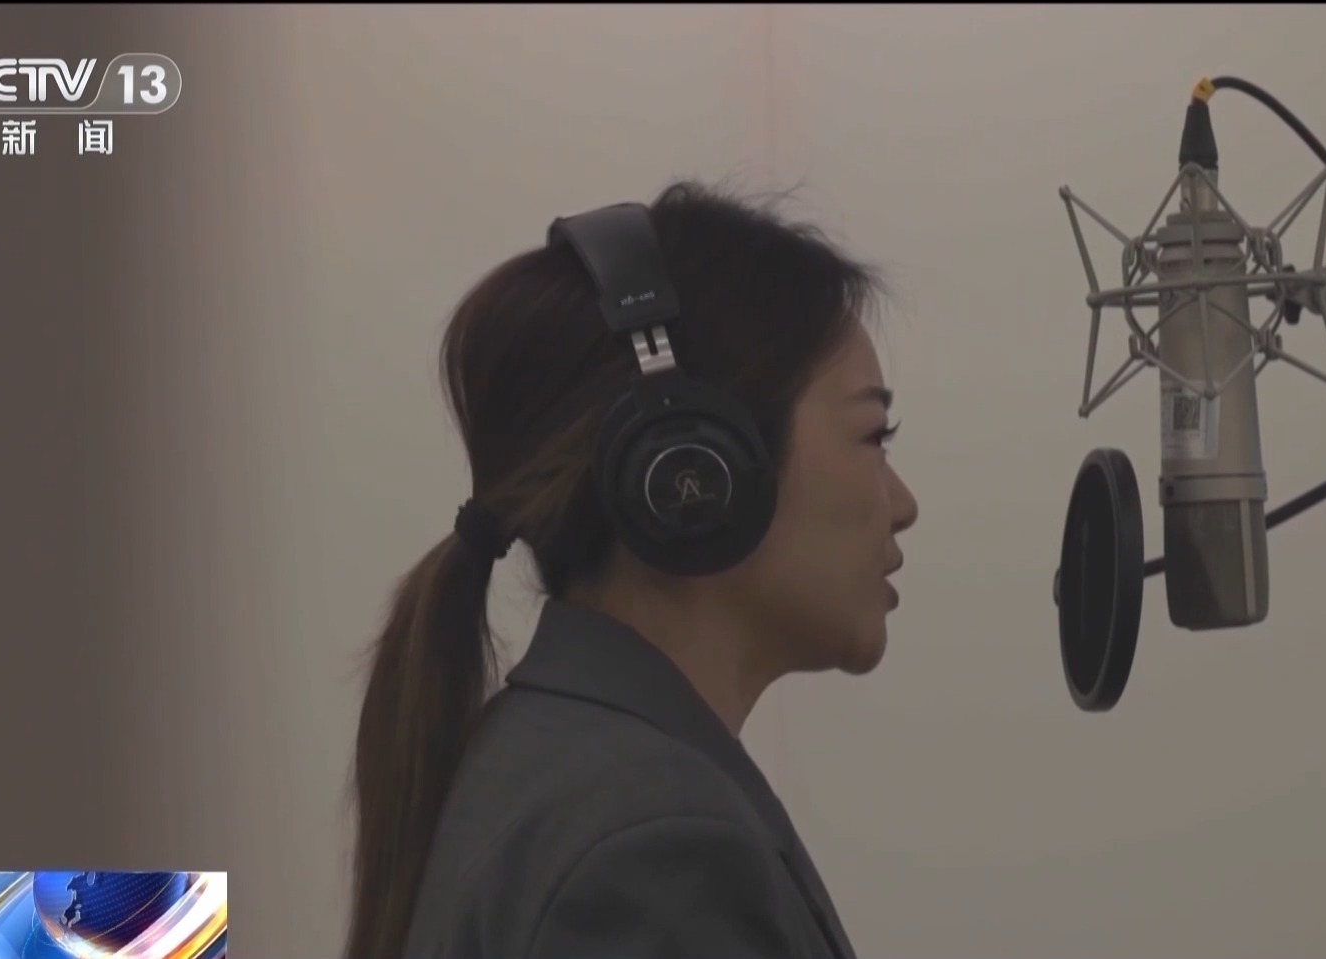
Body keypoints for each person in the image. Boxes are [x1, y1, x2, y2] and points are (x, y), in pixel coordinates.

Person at [345, 181, 920, 959]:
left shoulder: (549, 766)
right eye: (873, 435)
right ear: (698, 471)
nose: (903, 503)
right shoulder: (655, 851)